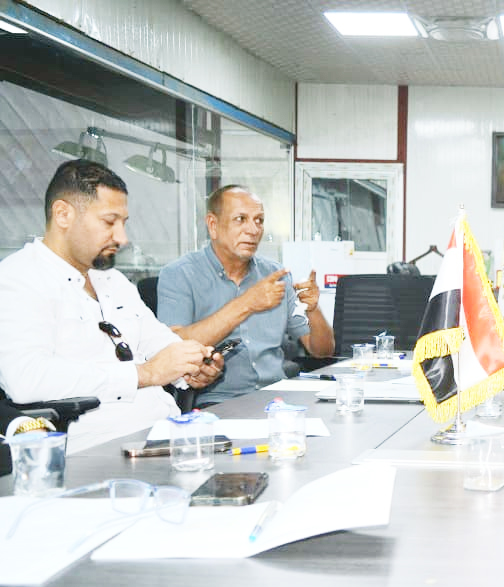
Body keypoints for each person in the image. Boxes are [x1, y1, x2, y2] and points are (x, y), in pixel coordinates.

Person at [0, 160, 222, 454]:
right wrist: (145, 374)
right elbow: (26, 379)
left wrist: (189, 367)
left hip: (166, 433)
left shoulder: (111, 280)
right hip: (94, 451)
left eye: (123, 223)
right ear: (63, 214)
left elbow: (158, 341)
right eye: (109, 222)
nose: (122, 238)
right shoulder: (18, 278)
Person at [157, 185, 334, 404]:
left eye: (259, 220)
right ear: (213, 225)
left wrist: (314, 310)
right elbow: (171, 347)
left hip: (277, 396)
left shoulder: (277, 276)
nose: (253, 230)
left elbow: (322, 351)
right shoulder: (179, 274)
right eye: (240, 219)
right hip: (219, 402)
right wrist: (247, 303)